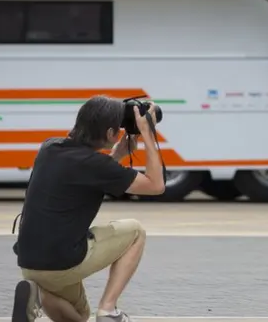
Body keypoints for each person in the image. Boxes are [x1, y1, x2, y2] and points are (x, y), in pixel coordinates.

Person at [11, 96, 166, 322]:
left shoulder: (49, 147)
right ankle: (108, 310)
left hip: (30, 264)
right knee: (135, 232)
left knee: (79, 316)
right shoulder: (96, 166)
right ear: (111, 133)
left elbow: (84, 171)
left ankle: (36, 293)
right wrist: (148, 134)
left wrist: (117, 156)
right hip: (62, 262)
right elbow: (156, 185)